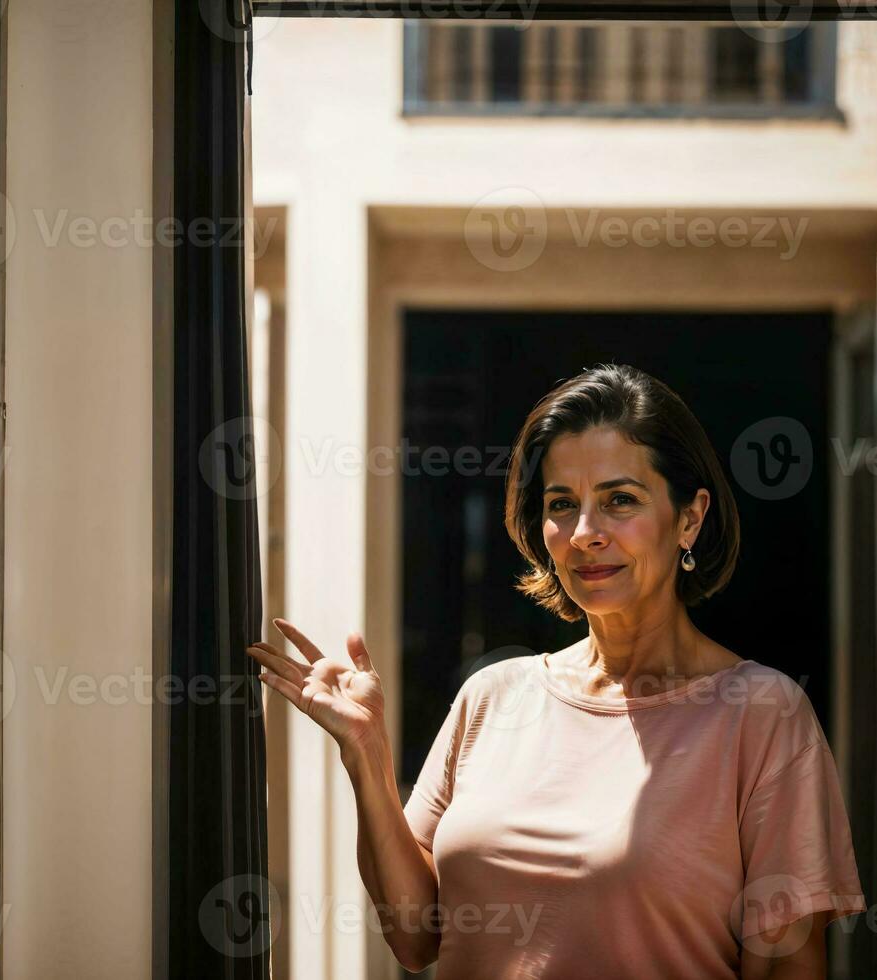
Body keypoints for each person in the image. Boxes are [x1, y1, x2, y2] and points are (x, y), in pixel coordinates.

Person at [250, 363, 866, 979]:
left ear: (689, 517)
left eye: (619, 500)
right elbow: (416, 938)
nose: (585, 533)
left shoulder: (762, 716)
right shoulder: (492, 696)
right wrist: (365, 755)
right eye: (562, 504)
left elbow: (789, 970)